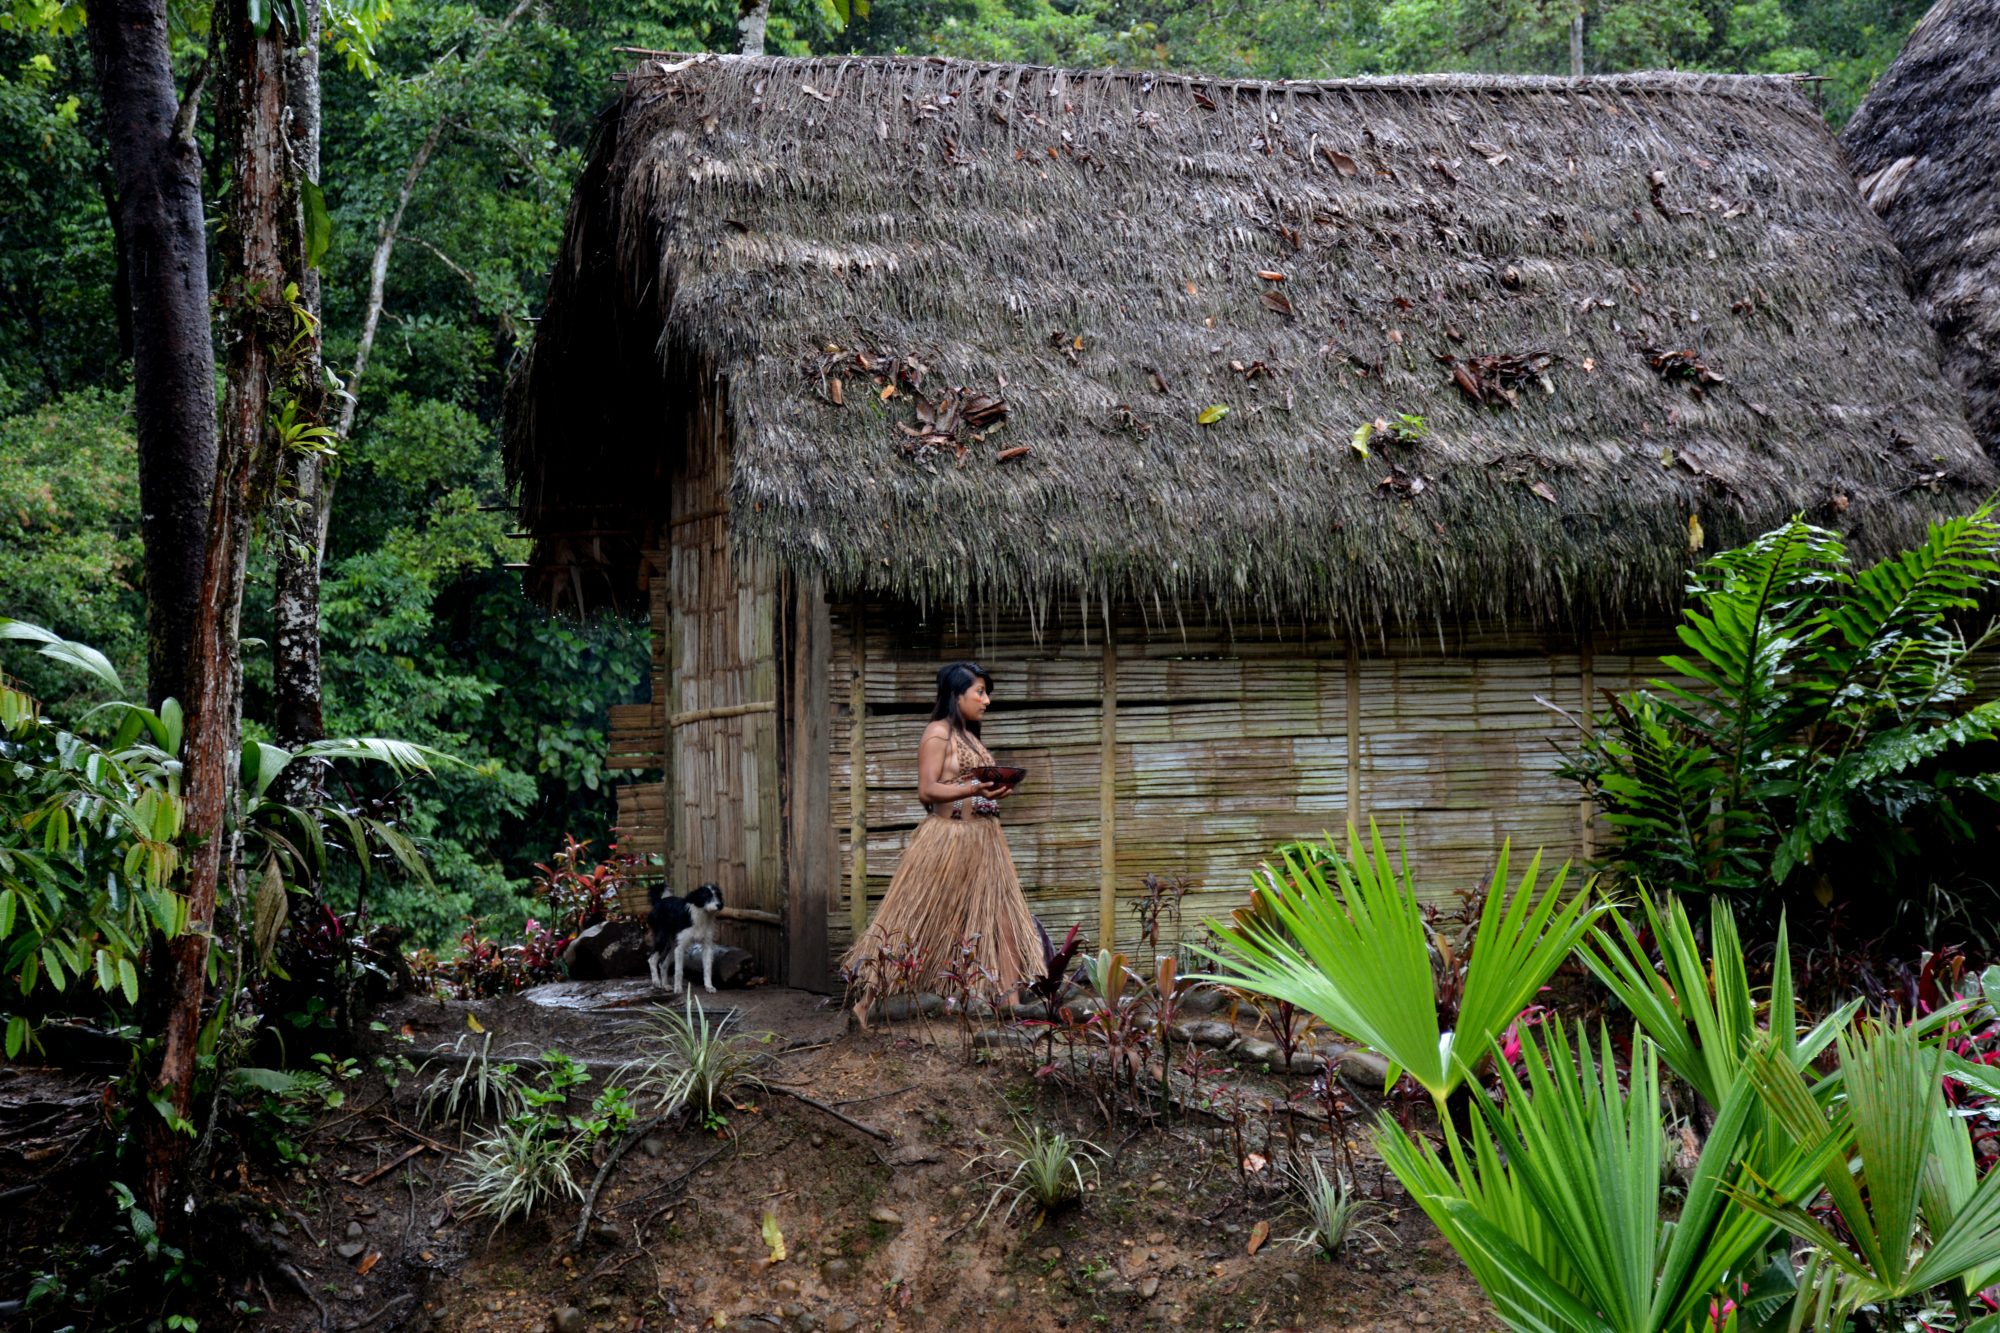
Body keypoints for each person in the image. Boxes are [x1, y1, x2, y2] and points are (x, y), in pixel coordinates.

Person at [843, 661, 1042, 1030]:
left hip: (986, 842)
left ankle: (1011, 1004)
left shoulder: (971, 735)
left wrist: (996, 790)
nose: (986, 700)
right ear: (956, 695)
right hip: (947, 841)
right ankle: (864, 1004)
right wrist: (972, 788)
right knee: (912, 921)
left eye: (987, 692)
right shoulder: (937, 732)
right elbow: (928, 789)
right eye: (979, 692)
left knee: (1005, 921)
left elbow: (976, 786)